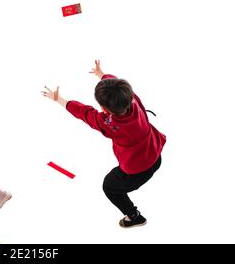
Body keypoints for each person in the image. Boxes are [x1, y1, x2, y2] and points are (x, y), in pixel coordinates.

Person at [42, 60, 166, 228]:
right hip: (155, 154)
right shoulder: (133, 99)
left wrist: (59, 100)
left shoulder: (110, 125)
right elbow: (118, 85)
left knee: (109, 187)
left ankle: (134, 217)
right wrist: (102, 75)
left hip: (138, 170)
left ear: (105, 110)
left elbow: (85, 114)